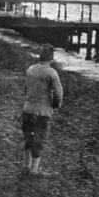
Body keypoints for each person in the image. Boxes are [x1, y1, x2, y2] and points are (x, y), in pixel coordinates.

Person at [22, 43, 63, 177]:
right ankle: (34, 170)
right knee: (38, 141)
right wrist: (56, 104)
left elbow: (26, 89)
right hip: (42, 112)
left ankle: (26, 166)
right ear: (51, 57)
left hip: (27, 109)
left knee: (28, 137)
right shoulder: (51, 73)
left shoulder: (30, 69)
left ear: (40, 56)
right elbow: (58, 93)